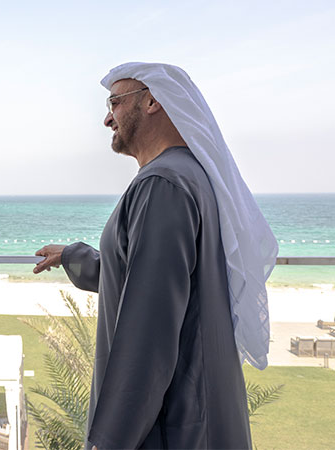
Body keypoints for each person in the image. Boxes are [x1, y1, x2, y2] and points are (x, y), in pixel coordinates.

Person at [34, 63, 278, 449]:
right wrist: (73, 256)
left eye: (114, 102)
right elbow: (145, 274)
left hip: (171, 419)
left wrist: (110, 439)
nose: (106, 118)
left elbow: (149, 327)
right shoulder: (189, 176)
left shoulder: (162, 185)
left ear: (152, 102)